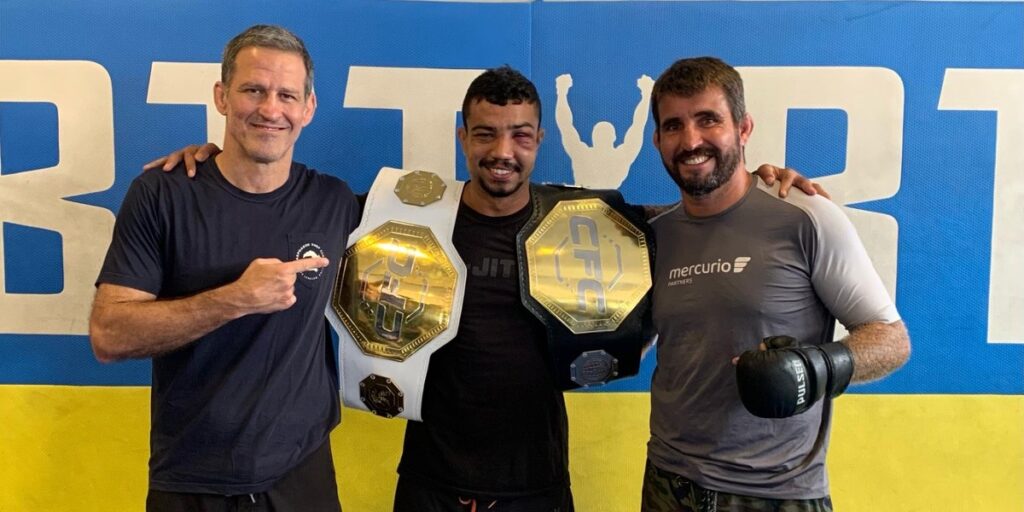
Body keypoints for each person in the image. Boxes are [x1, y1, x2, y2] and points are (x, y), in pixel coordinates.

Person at [146, 65, 824, 512]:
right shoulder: (395, 215)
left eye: (521, 135)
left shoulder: (599, 226)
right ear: (462, 137)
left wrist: (759, 179)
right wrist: (215, 160)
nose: (503, 151)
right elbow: (282, 197)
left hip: (538, 484)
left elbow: (698, 210)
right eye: (486, 134)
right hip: (429, 483)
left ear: (539, 139)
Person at [89, 25, 360, 511]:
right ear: (222, 96)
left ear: (308, 108)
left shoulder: (333, 201)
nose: (270, 109)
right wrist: (234, 299)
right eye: (253, 90)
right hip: (191, 477)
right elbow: (109, 335)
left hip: (301, 476)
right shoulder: (162, 195)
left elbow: (444, 219)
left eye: (287, 95)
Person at [643, 56, 911, 512]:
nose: (691, 141)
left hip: (776, 493)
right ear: (658, 140)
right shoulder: (653, 234)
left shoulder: (806, 217)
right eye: (674, 126)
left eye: (708, 120)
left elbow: (892, 340)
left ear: (743, 128)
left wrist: (816, 368)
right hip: (668, 482)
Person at [555, 73, 653, 189]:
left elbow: (565, 125)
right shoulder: (621, 157)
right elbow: (638, 125)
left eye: (603, 134)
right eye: (600, 134)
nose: (601, 137)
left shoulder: (582, 154)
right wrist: (646, 95)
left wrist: (562, 92)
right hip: (586, 199)